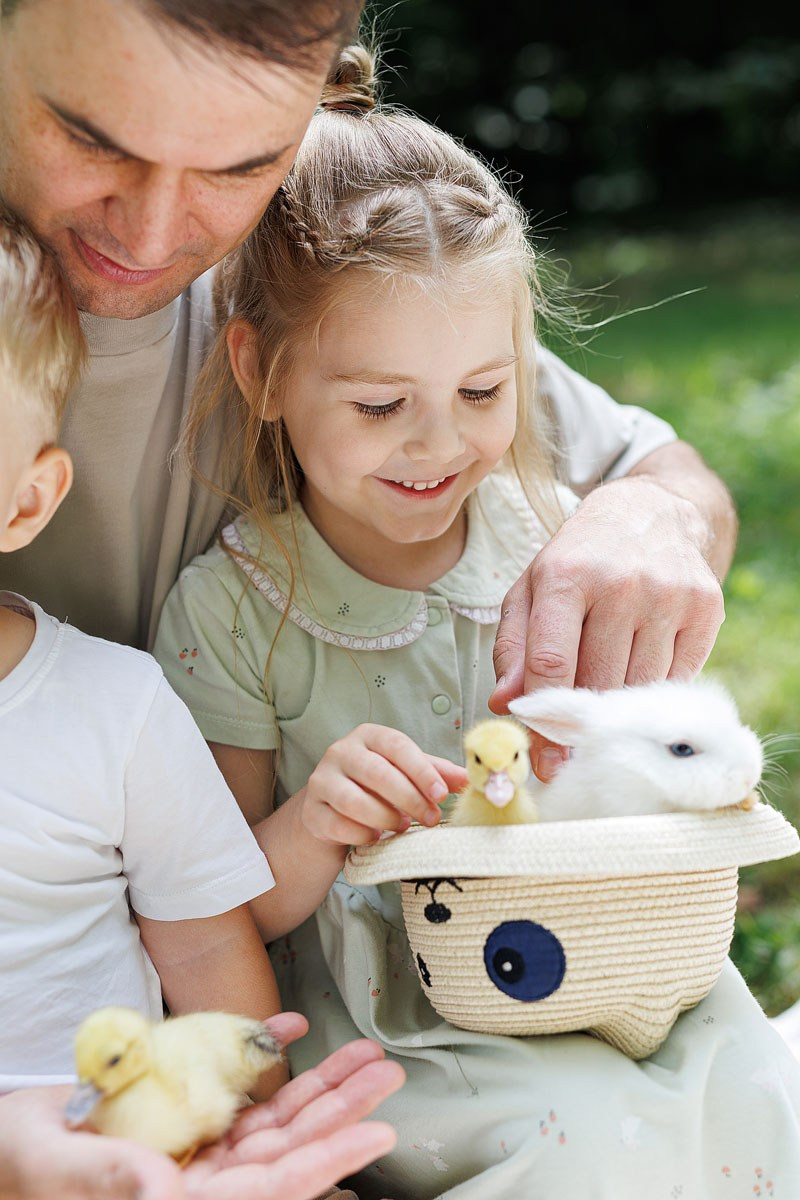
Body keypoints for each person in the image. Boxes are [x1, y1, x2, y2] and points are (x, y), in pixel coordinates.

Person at [153, 49, 800, 1199]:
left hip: (611, 969)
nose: (438, 443)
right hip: (420, 1030)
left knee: (745, 1088)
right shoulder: (236, 607)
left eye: (483, 393)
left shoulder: (544, 536)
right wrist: (316, 822)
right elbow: (215, 910)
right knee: (588, 1146)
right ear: (259, 373)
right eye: (380, 404)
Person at [0, 0, 735, 747]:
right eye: (93, 142)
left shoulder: (302, 268)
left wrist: (656, 515)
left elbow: (661, 472)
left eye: (237, 166)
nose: (151, 235)